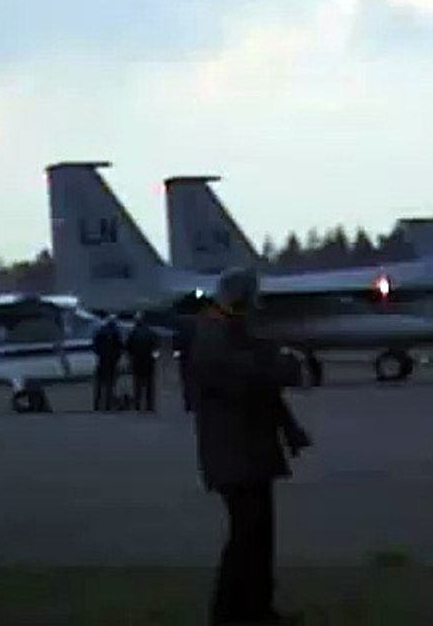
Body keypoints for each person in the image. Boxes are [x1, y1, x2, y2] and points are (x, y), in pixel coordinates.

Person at [190, 267, 311, 625]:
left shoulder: (229, 331)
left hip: (249, 449)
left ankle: (257, 610)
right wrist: (280, 364)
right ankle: (229, 613)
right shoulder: (214, 334)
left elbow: (260, 377)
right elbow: (248, 379)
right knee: (246, 536)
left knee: (258, 536)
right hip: (235, 450)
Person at [126, 312, 160, 412]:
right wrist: (154, 358)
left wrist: (131, 358)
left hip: (137, 361)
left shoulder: (133, 333)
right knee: (149, 385)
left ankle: (137, 404)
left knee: (137, 385)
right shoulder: (151, 333)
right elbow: (156, 349)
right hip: (149, 362)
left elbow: (128, 348)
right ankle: (150, 405)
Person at [92, 314, 123, 411]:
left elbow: (95, 347)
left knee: (99, 384)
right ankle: (108, 405)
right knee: (110, 384)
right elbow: (119, 348)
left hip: (102, 360)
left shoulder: (100, 332)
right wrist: (117, 358)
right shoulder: (116, 333)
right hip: (112, 362)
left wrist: (100, 353)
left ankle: (96, 404)